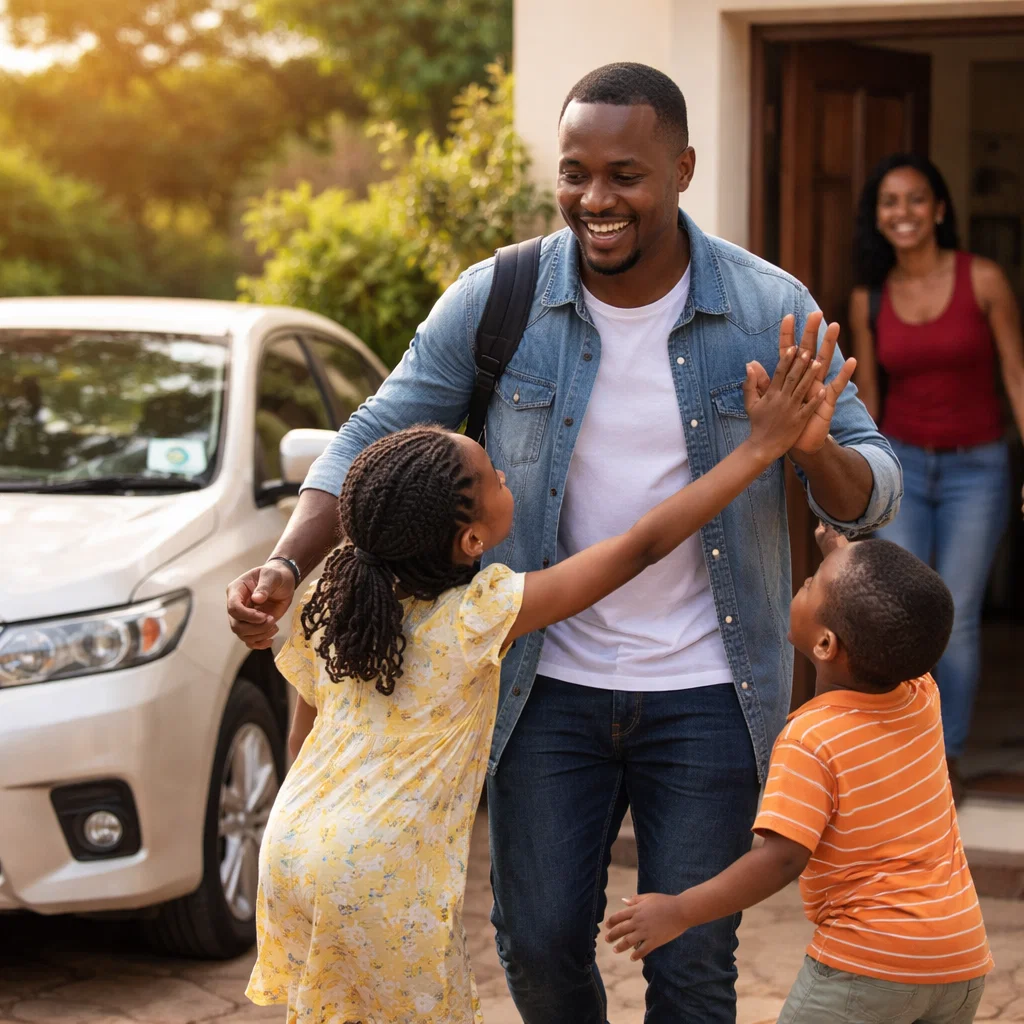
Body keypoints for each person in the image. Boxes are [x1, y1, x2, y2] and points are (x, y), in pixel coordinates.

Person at [229, 63, 902, 1022]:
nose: (595, 199)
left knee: (695, 963)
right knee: (538, 946)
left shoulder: (766, 306)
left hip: (711, 691)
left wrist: (813, 448)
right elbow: (373, 435)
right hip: (544, 685)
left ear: (681, 169)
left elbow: (874, 492)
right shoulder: (499, 297)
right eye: (575, 171)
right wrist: (287, 560)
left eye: (624, 174)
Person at [245, 351, 830, 1023]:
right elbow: (639, 547)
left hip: (293, 845)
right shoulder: (476, 615)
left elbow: (305, 736)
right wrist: (759, 449)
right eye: (489, 476)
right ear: (470, 540)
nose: (502, 470)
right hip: (381, 875)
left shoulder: (341, 602)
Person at [605, 525, 991, 1024]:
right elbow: (903, 622)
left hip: (868, 966)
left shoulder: (811, 737)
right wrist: (845, 560)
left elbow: (782, 860)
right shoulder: (921, 694)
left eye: (811, 582)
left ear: (826, 644)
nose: (802, 582)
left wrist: (680, 911)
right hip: (960, 958)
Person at [848, 153, 1024, 794]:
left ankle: (945, 757)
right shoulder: (869, 297)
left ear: (940, 209)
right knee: (898, 615)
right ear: (878, 217)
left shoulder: (983, 280)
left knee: (961, 614)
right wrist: (859, 488)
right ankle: (907, 754)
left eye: (916, 199)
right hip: (905, 469)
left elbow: (1016, 376)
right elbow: (865, 399)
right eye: (890, 202)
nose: (904, 213)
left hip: (979, 468)